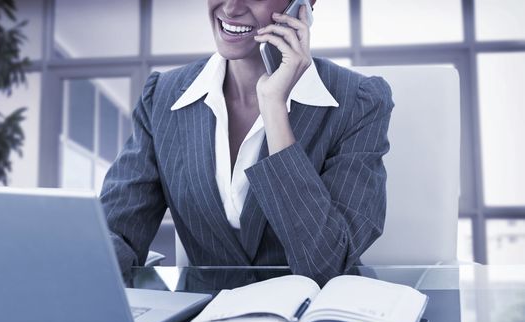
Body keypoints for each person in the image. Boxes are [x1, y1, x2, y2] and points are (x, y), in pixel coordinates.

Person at [100, 0, 394, 285]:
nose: (230, 8)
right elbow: (115, 232)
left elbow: (326, 264)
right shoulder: (163, 97)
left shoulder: (358, 101)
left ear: (303, 3)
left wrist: (274, 107)